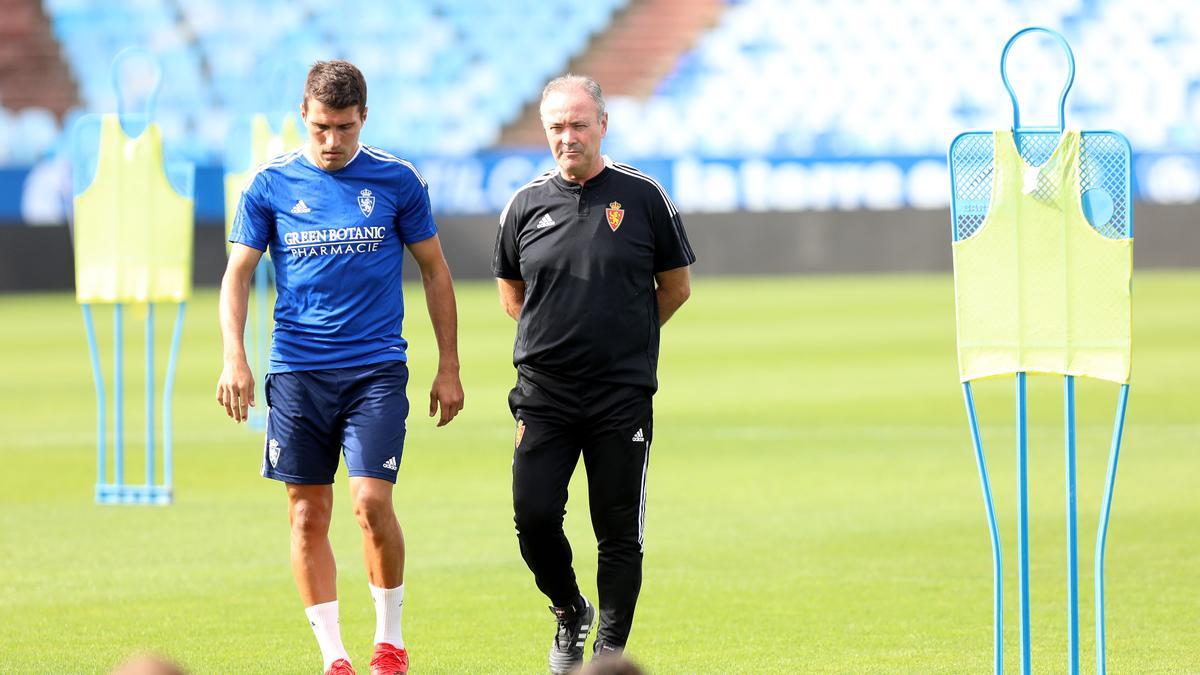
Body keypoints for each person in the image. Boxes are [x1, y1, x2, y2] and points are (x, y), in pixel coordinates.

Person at [216, 60, 463, 675]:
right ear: (304, 114)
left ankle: (390, 643)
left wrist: (449, 366)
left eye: (345, 128)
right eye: (322, 127)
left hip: (375, 369)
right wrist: (234, 358)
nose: (332, 142)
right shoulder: (269, 184)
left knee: (371, 503)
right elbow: (238, 275)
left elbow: (435, 271)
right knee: (306, 512)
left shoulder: (398, 180)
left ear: (364, 119)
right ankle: (335, 658)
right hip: (297, 372)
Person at [492, 74, 695, 673]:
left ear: (602, 125)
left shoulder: (643, 196)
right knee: (532, 517)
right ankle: (568, 610)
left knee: (617, 530)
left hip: (620, 396)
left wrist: (623, 340)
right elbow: (512, 293)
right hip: (544, 396)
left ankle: (608, 651)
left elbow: (676, 287)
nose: (568, 136)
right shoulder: (524, 203)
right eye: (557, 126)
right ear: (545, 130)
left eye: (579, 124)